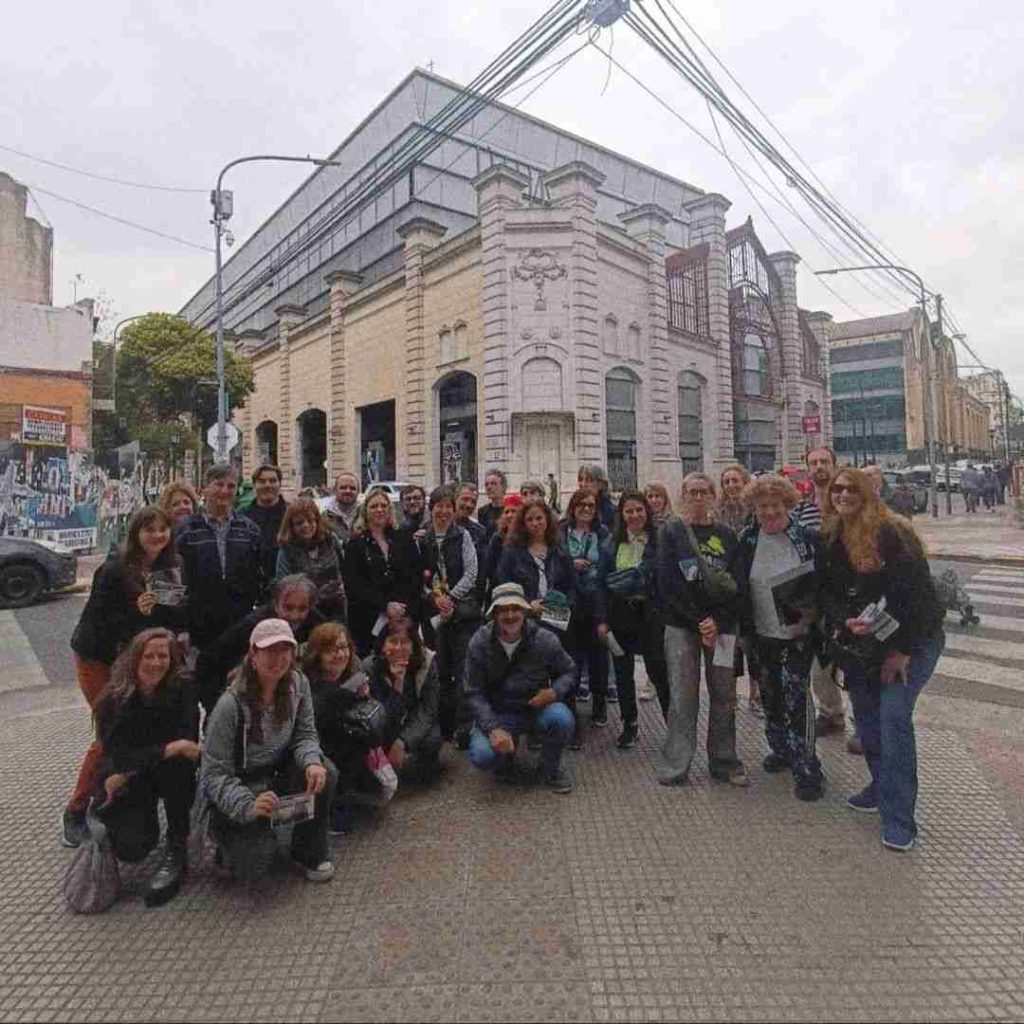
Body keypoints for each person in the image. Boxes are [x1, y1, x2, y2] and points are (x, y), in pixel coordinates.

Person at [818, 468, 945, 851]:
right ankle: (879, 785)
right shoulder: (831, 535)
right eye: (836, 489)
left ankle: (899, 819)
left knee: (893, 722)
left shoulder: (893, 532)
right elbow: (827, 592)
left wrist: (900, 651)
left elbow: (918, 597)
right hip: (864, 643)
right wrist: (845, 621)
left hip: (912, 642)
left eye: (850, 488)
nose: (842, 494)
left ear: (867, 492)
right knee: (869, 724)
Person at [62, 506, 188, 848]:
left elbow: (169, 617)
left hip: (134, 657)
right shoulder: (115, 569)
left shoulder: (168, 567)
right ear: (136, 534)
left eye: (163, 530)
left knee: (134, 729)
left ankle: (113, 795)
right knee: (109, 733)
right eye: (149, 530)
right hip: (98, 657)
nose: (157, 536)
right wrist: (136, 612)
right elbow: (96, 622)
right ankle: (75, 811)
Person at [197, 618, 336, 881]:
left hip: (277, 772)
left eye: (285, 650)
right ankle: (225, 837)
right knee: (256, 866)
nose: (278, 658)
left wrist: (311, 761)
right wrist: (248, 805)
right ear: (253, 655)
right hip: (242, 782)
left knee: (325, 772)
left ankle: (307, 850)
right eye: (269, 650)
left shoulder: (298, 683)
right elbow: (213, 773)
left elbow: (305, 734)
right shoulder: (230, 705)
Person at [92, 629, 199, 906]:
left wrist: (168, 751)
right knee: (132, 847)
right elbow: (119, 756)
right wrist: (167, 748)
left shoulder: (183, 687)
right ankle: (119, 819)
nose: (156, 662)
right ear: (134, 659)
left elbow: (189, 743)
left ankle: (178, 843)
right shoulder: (113, 699)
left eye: (162, 655)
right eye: (148, 656)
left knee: (180, 766)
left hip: (166, 772)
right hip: (130, 776)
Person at [655, 473, 747, 787]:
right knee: (683, 696)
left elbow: (738, 585)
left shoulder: (727, 535)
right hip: (682, 627)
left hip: (722, 629)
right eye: (691, 493)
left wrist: (717, 621)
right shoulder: (672, 533)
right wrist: (698, 621)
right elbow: (667, 585)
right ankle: (676, 763)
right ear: (682, 496)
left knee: (724, 695)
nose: (697, 498)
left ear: (712, 495)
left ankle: (724, 760)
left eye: (703, 492)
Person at [736, 475, 824, 801]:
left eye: (775, 506)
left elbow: (823, 583)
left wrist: (814, 612)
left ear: (788, 505)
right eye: (762, 507)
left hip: (797, 635)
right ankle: (782, 749)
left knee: (797, 698)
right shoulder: (747, 539)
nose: (769, 512)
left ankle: (807, 766)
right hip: (760, 633)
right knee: (771, 696)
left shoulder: (808, 539)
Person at [465, 583, 577, 792]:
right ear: (494, 614)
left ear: (525, 612)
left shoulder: (545, 639)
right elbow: (473, 692)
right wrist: (492, 728)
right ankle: (504, 760)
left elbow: (569, 670)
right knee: (482, 755)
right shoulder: (479, 642)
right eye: (503, 610)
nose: (510, 615)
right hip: (497, 713)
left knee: (562, 718)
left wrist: (554, 692)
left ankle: (550, 768)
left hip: (534, 709)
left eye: (515, 608)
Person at [595, 490, 670, 749]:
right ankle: (630, 724)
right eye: (629, 511)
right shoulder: (611, 543)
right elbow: (601, 584)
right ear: (622, 514)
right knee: (623, 672)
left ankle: (673, 724)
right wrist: (602, 620)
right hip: (620, 615)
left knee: (658, 670)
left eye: (639, 509)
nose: (635, 515)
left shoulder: (659, 541)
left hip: (651, 615)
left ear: (647, 512)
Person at [195, 575, 323, 714]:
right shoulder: (252, 625)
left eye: (302, 609)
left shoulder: (316, 623)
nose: (294, 615)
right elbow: (206, 661)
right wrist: (216, 706)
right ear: (275, 604)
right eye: (288, 607)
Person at [176, 464, 266, 653]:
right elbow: (177, 581)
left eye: (231, 486)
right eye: (219, 484)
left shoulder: (250, 530)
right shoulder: (186, 529)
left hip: (240, 623)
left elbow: (259, 576)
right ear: (205, 488)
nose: (225, 491)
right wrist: (181, 627)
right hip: (198, 626)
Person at [420, 486, 479, 746]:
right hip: (434, 615)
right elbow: (416, 574)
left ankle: (463, 727)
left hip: (462, 613)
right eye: (438, 506)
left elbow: (471, 572)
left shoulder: (463, 535)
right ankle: (443, 725)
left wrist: (451, 598)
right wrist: (436, 599)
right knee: (438, 670)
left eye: (448, 507)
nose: (443, 512)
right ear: (431, 508)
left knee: (463, 669)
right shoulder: (422, 538)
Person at [302, 622, 371, 834]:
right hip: (318, 749)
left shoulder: (354, 676)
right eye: (332, 650)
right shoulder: (307, 684)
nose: (340, 654)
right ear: (317, 654)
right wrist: (349, 695)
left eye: (343, 647)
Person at [343, 484, 422, 656]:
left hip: (404, 617)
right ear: (365, 511)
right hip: (369, 620)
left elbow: (415, 576)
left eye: (384, 506)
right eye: (374, 506)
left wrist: (403, 609)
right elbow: (354, 584)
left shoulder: (403, 537)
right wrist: (385, 605)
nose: (379, 510)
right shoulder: (355, 544)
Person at [364, 618, 442, 779]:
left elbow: (428, 710)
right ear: (383, 645)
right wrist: (397, 685)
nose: (399, 648)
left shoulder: (427, 663)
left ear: (414, 646)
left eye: (405, 642)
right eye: (393, 642)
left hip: (412, 719)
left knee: (432, 739)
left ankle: (420, 765)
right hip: (384, 724)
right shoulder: (369, 668)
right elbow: (378, 717)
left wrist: (403, 742)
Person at [562, 488, 609, 723]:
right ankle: (570, 710)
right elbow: (554, 562)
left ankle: (599, 706)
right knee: (571, 658)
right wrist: (572, 565)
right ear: (573, 507)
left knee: (598, 657)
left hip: (596, 601)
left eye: (591, 505)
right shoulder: (561, 531)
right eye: (582, 504)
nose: (586, 509)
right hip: (569, 603)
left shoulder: (602, 533)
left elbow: (608, 567)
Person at [274, 498, 346, 621]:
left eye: (311, 520)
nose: (306, 525)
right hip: (304, 613)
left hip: (336, 607)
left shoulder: (330, 540)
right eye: (299, 523)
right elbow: (283, 584)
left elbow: (344, 568)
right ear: (291, 526)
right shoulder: (287, 549)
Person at [242, 464, 289, 582]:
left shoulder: (292, 514)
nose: (267, 485)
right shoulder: (241, 517)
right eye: (262, 481)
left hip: (287, 583)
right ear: (254, 485)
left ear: (280, 484)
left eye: (273, 481)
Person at [482, 493, 522, 600]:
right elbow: (489, 567)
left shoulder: (526, 539)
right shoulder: (497, 538)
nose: (509, 515)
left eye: (514, 511)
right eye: (506, 512)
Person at [323, 471, 361, 544]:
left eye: (352, 488)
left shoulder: (366, 515)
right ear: (335, 490)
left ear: (358, 491)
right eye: (343, 488)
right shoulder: (324, 518)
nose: (348, 491)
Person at [577, 465, 617, 529]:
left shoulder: (611, 511)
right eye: (580, 479)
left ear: (601, 484)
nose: (583, 484)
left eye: (589, 480)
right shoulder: (574, 506)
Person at [716, 464, 752, 535]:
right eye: (726, 482)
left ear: (745, 483)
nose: (731, 485)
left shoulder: (754, 508)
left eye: (735, 481)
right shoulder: (717, 511)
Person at [478, 468, 508, 539]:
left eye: (493, 484)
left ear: (503, 487)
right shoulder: (482, 511)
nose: (489, 487)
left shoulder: (511, 509)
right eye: (486, 484)